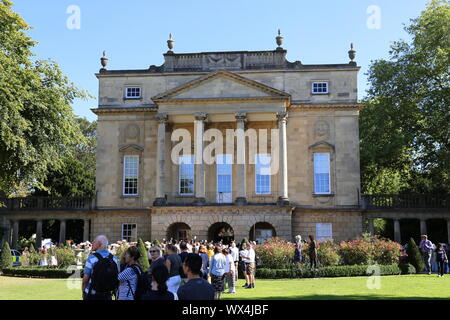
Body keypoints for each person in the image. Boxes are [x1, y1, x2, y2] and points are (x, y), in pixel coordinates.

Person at [82, 235, 119, 300]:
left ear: (99, 244)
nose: (92, 244)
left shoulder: (92, 258)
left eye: (94, 242)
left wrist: (83, 292)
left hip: (93, 294)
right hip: (108, 294)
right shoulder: (114, 258)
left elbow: (85, 279)